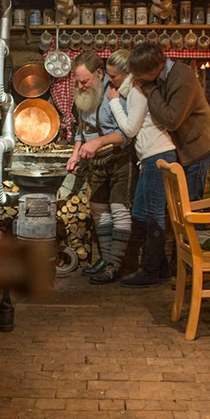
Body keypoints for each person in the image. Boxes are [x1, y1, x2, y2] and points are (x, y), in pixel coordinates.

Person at [104, 50, 176, 288]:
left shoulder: (136, 91)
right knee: (139, 214)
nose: (110, 81)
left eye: (113, 76)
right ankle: (161, 267)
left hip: (159, 156)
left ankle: (151, 271)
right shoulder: (132, 90)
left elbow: (130, 129)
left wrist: (114, 103)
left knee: (154, 215)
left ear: (127, 73)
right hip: (149, 158)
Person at [66, 51, 135, 284]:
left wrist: (97, 142)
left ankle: (115, 264)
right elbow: (81, 129)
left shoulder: (116, 94)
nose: (80, 85)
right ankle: (106, 259)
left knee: (119, 209)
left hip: (118, 157)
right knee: (97, 208)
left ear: (99, 73)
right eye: (77, 80)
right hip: (96, 161)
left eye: (84, 80)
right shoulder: (84, 93)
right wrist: (76, 152)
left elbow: (126, 134)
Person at [128, 42, 210, 201]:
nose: (137, 80)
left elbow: (171, 120)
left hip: (197, 147)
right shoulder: (161, 75)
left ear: (154, 70)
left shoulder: (183, 77)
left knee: (190, 202)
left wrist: (149, 88)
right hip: (183, 146)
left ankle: (195, 227)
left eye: (140, 76)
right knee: (178, 202)